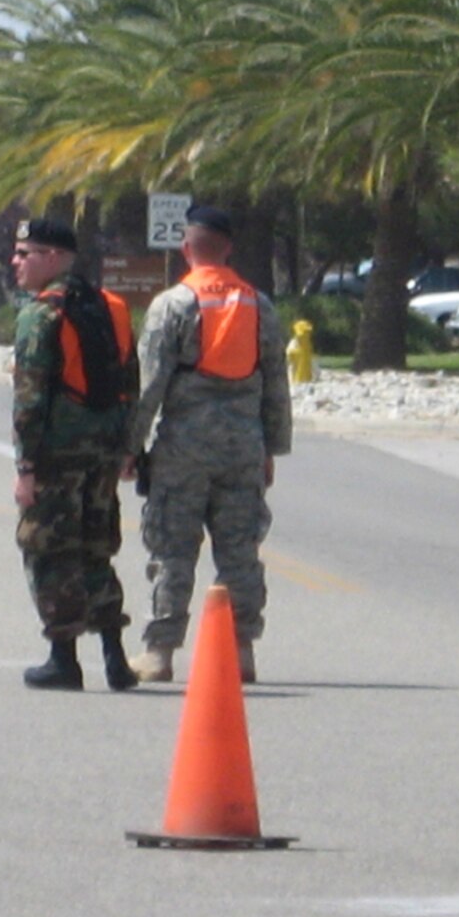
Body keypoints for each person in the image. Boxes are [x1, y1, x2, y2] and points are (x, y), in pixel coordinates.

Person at [125, 205, 291, 685]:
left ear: (186, 248)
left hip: (184, 448)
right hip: (243, 446)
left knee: (173, 548)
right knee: (240, 548)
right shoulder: (259, 305)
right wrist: (270, 449)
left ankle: (159, 653)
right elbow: (276, 384)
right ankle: (240, 653)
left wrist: (130, 447)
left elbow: (149, 384)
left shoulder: (174, 304)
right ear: (229, 248)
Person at [10, 217, 140, 690]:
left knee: (47, 550)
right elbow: (131, 383)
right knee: (96, 549)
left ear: (55, 258)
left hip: (58, 457)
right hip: (103, 454)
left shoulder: (41, 314)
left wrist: (26, 467)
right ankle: (115, 657)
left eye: (27, 254)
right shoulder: (114, 307)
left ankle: (63, 657)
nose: (16, 262)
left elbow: (29, 398)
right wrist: (129, 449)